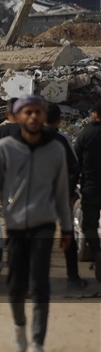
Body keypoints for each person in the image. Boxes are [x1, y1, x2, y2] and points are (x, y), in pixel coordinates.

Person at [0, 95, 73, 352]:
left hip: (44, 223)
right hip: (16, 225)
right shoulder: (5, 147)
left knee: (40, 283)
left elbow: (61, 192)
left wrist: (66, 228)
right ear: (17, 117)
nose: (33, 117)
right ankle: (19, 325)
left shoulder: (55, 149)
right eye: (28, 112)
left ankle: (37, 342)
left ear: (44, 116)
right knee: (16, 286)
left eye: (37, 112)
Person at [45, 102, 84, 289]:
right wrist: (69, 190)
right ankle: (73, 277)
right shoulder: (62, 138)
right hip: (60, 194)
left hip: (37, 195)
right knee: (67, 233)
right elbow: (74, 166)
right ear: (59, 120)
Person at [73, 100, 101, 284]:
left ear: (95, 115)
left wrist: (72, 186)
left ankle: (97, 254)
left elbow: (75, 164)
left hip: (91, 189)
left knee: (89, 226)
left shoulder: (85, 135)